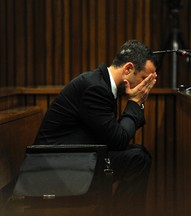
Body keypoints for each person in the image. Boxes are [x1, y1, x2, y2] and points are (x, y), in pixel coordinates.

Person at [33, 40, 158, 216]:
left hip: (71, 160)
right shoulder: (96, 89)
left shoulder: (101, 84)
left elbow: (113, 138)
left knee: (139, 153)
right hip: (54, 170)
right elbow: (118, 140)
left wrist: (136, 103)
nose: (145, 87)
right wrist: (136, 102)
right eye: (144, 79)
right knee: (138, 158)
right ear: (128, 69)